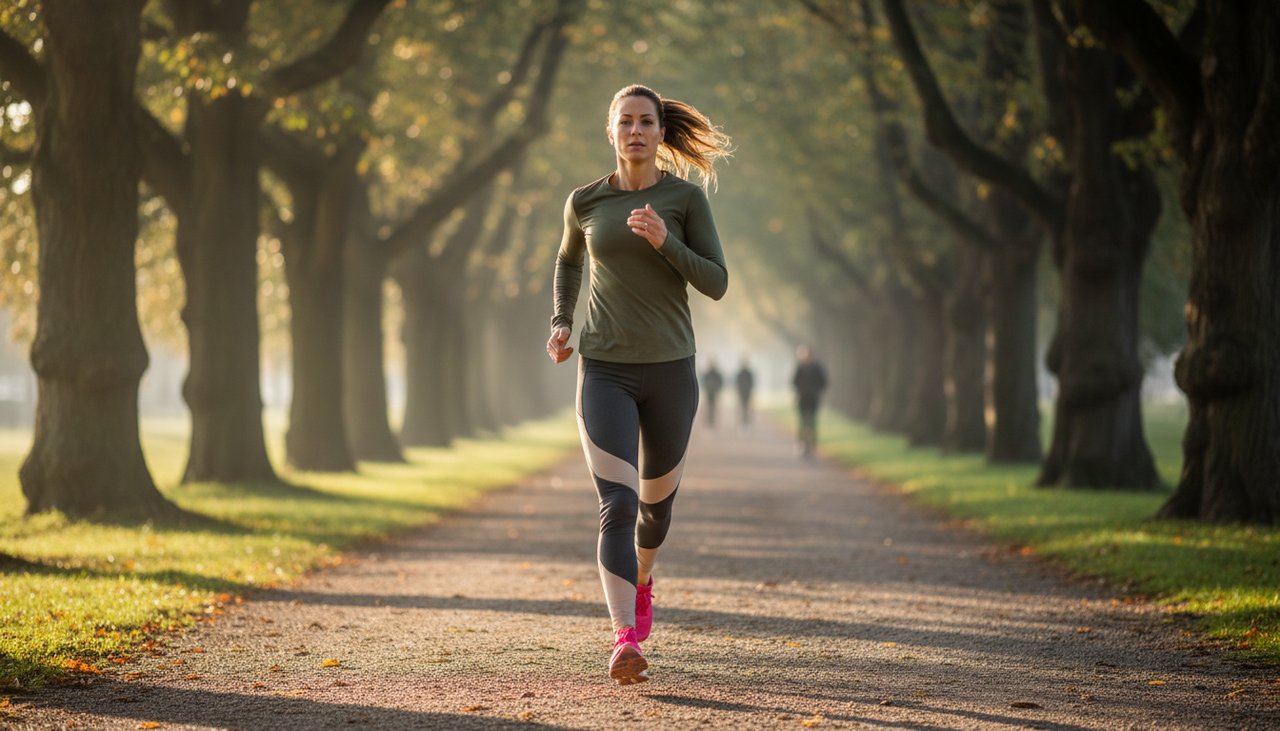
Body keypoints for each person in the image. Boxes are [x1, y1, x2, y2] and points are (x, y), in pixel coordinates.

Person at [545, 84, 731, 685]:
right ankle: (624, 638)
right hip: (603, 367)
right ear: (610, 131)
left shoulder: (684, 198)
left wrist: (664, 241)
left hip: (672, 369)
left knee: (655, 508)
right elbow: (569, 260)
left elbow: (718, 282)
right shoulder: (585, 201)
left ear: (659, 132)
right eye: (624, 121)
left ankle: (643, 576)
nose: (635, 131)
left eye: (645, 121)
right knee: (618, 503)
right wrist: (560, 321)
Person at [792, 345, 827, 458]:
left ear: (811, 355)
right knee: (802, 422)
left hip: (813, 399)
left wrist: (817, 391)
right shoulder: (800, 368)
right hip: (802, 399)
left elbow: (824, 383)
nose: (804, 357)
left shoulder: (818, 368)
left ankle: (812, 446)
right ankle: (802, 445)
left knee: (812, 422)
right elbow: (794, 382)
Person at [700, 359, 724, 428]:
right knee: (708, 408)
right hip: (708, 393)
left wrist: (717, 389)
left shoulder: (717, 374)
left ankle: (713, 422)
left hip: (715, 394)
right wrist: (708, 387)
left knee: (714, 408)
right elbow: (704, 382)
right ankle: (708, 422)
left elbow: (720, 383)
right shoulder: (707, 373)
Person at [734, 357, 755, 428]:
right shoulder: (740, 373)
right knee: (741, 409)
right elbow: (737, 383)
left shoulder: (749, 373)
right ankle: (741, 423)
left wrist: (749, 389)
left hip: (747, 393)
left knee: (747, 409)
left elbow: (751, 383)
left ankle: (746, 423)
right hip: (741, 393)